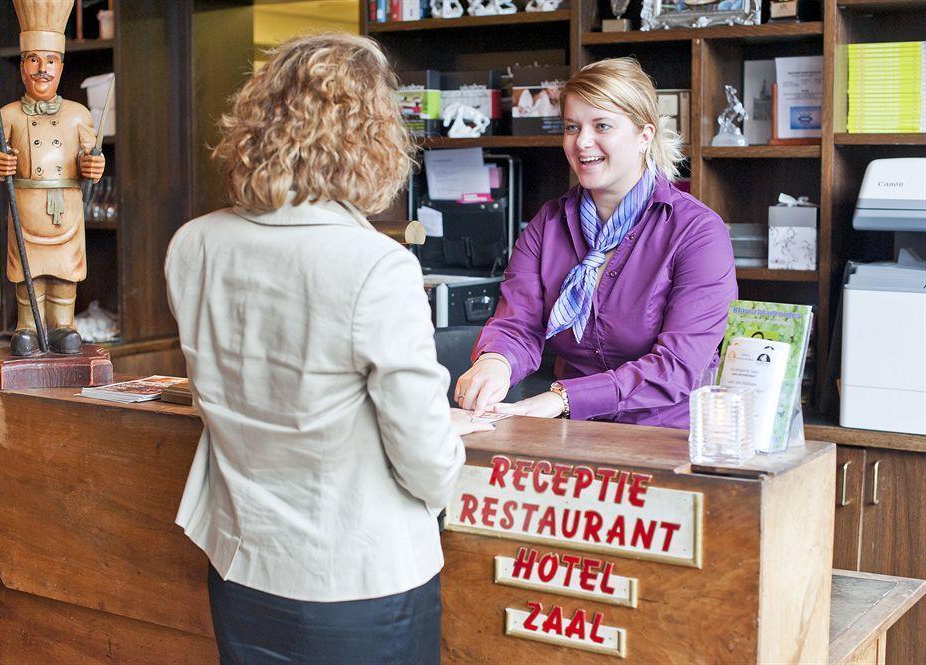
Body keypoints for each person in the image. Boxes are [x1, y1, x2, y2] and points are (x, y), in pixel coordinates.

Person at [165, 33, 489, 665]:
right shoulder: (376, 266)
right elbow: (425, 460)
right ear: (370, 137)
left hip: (241, 566)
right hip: (361, 581)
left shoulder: (193, 244)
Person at [456, 57, 737, 428]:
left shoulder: (697, 232)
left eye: (601, 125)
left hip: (670, 435)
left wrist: (564, 399)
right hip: (573, 430)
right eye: (572, 127)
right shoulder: (548, 224)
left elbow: (677, 367)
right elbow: (518, 325)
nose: (582, 142)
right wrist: (495, 362)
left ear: (644, 136)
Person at [0, 0, 105, 356]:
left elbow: (92, 155)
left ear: (61, 66)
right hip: (25, 209)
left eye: (50, 61)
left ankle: (62, 327)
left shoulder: (77, 114)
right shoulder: (7, 114)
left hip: (65, 210)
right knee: (28, 274)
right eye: (34, 60)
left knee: (65, 273)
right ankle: (27, 328)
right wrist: (0, 162)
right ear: (23, 67)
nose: (43, 69)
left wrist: (93, 165)